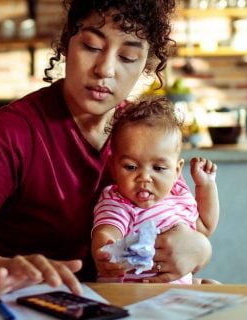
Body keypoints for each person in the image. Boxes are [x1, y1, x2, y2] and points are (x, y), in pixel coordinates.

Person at [0, 0, 213, 297]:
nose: (105, 69)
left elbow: (180, 217)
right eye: (92, 46)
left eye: (128, 57)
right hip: (32, 303)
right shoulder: (14, 131)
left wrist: (200, 249)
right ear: (67, 43)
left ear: (146, 64)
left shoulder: (148, 134)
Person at [90, 96, 219, 284]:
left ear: (176, 171)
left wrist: (205, 186)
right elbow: (108, 230)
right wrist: (105, 248)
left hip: (177, 291)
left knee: (213, 287)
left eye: (158, 168)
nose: (144, 177)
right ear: (113, 167)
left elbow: (205, 227)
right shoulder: (118, 201)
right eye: (131, 167)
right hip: (135, 293)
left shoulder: (177, 195)